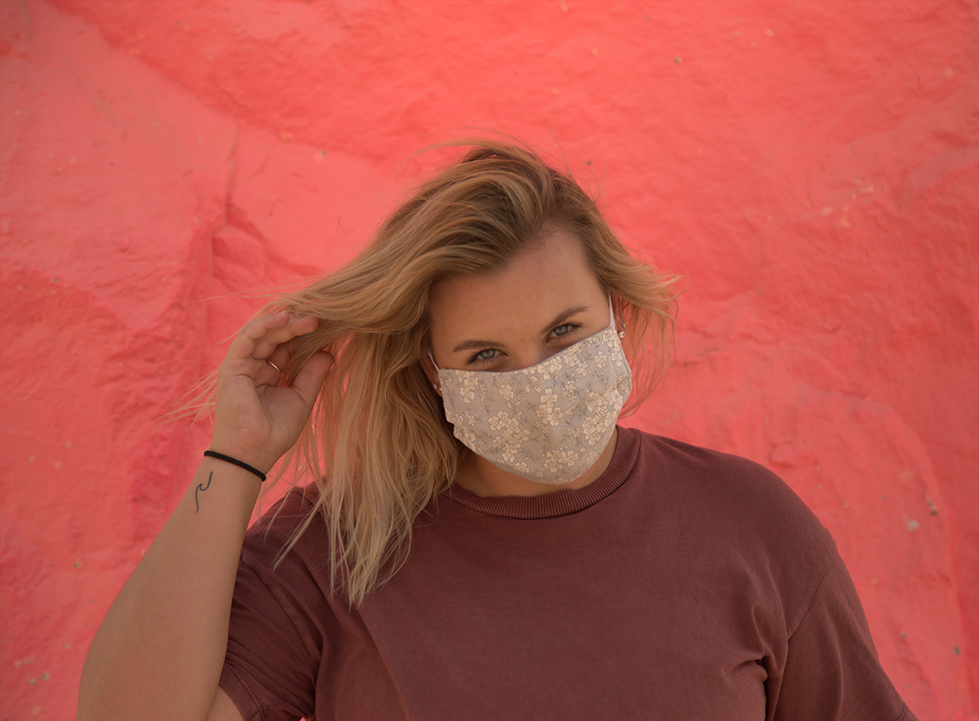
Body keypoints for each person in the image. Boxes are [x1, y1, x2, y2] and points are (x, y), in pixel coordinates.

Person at [77, 141, 916, 720]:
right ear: (433, 374)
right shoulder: (341, 547)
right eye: (485, 354)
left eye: (563, 332)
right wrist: (238, 452)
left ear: (617, 312)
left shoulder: (753, 525)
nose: (535, 380)